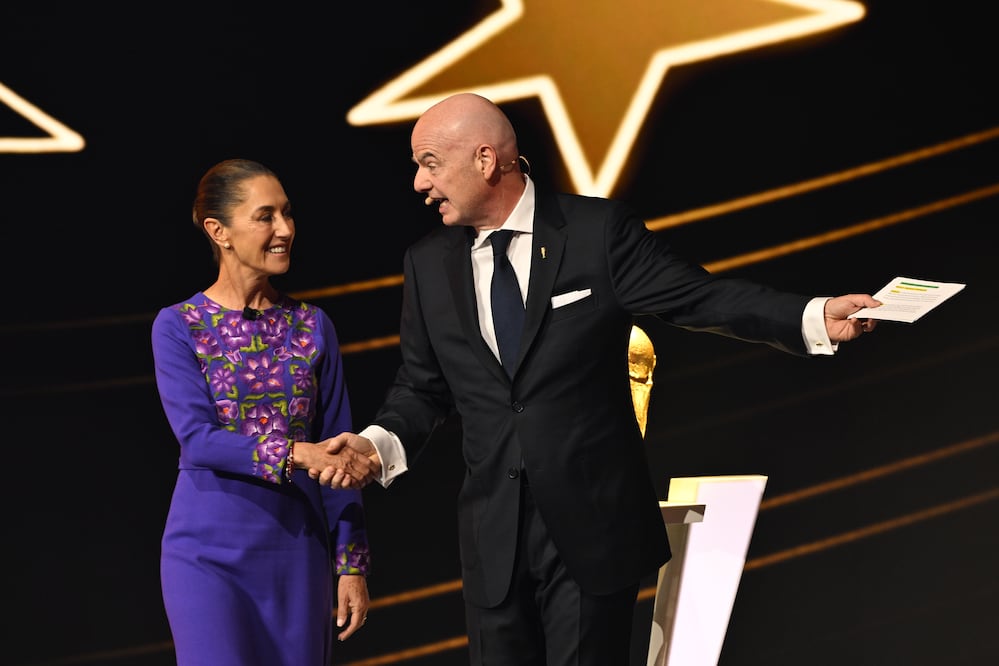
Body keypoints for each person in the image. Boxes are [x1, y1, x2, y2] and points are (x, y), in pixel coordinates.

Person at [315, 93, 882, 666]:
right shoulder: (427, 262)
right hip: (494, 540)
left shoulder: (595, 233)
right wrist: (376, 443)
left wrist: (812, 315)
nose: (418, 182)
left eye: (430, 162)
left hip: (593, 531)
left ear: (485, 160)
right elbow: (421, 386)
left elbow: (699, 297)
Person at [151, 158, 379, 666]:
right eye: (266, 216)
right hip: (208, 553)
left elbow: (339, 450)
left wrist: (351, 565)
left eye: (288, 214)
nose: (285, 229)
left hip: (297, 552)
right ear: (220, 231)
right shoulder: (178, 326)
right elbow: (198, 439)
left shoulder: (313, 325)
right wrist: (299, 453)